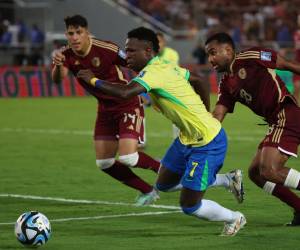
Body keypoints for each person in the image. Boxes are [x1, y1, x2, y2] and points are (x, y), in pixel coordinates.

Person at [77, 27, 246, 236]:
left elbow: (125, 92)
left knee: (189, 205)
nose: (126, 55)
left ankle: (235, 218)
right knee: (164, 184)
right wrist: (204, 111)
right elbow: (198, 80)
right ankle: (228, 180)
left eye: (131, 51)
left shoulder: (154, 71)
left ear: (148, 51)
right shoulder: (163, 65)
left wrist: (93, 80)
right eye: (126, 50)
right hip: (187, 139)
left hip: (207, 144)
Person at [51, 15, 161, 206]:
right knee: (104, 163)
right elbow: (58, 79)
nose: (75, 37)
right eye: (71, 33)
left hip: (126, 103)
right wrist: (58, 63)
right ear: (66, 35)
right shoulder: (66, 55)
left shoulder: (106, 48)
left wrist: (143, 88)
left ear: (87, 32)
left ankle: (166, 169)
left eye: (79, 32)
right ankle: (148, 190)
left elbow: (135, 63)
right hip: (105, 109)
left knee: (128, 157)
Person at [205, 32, 300, 226]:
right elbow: (218, 114)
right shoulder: (226, 84)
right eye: (207, 55)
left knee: (269, 170)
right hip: (276, 122)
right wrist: (201, 131)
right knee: (256, 173)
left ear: (228, 50)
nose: (210, 59)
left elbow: (288, 65)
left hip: (286, 113)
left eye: (213, 52)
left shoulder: (252, 56)